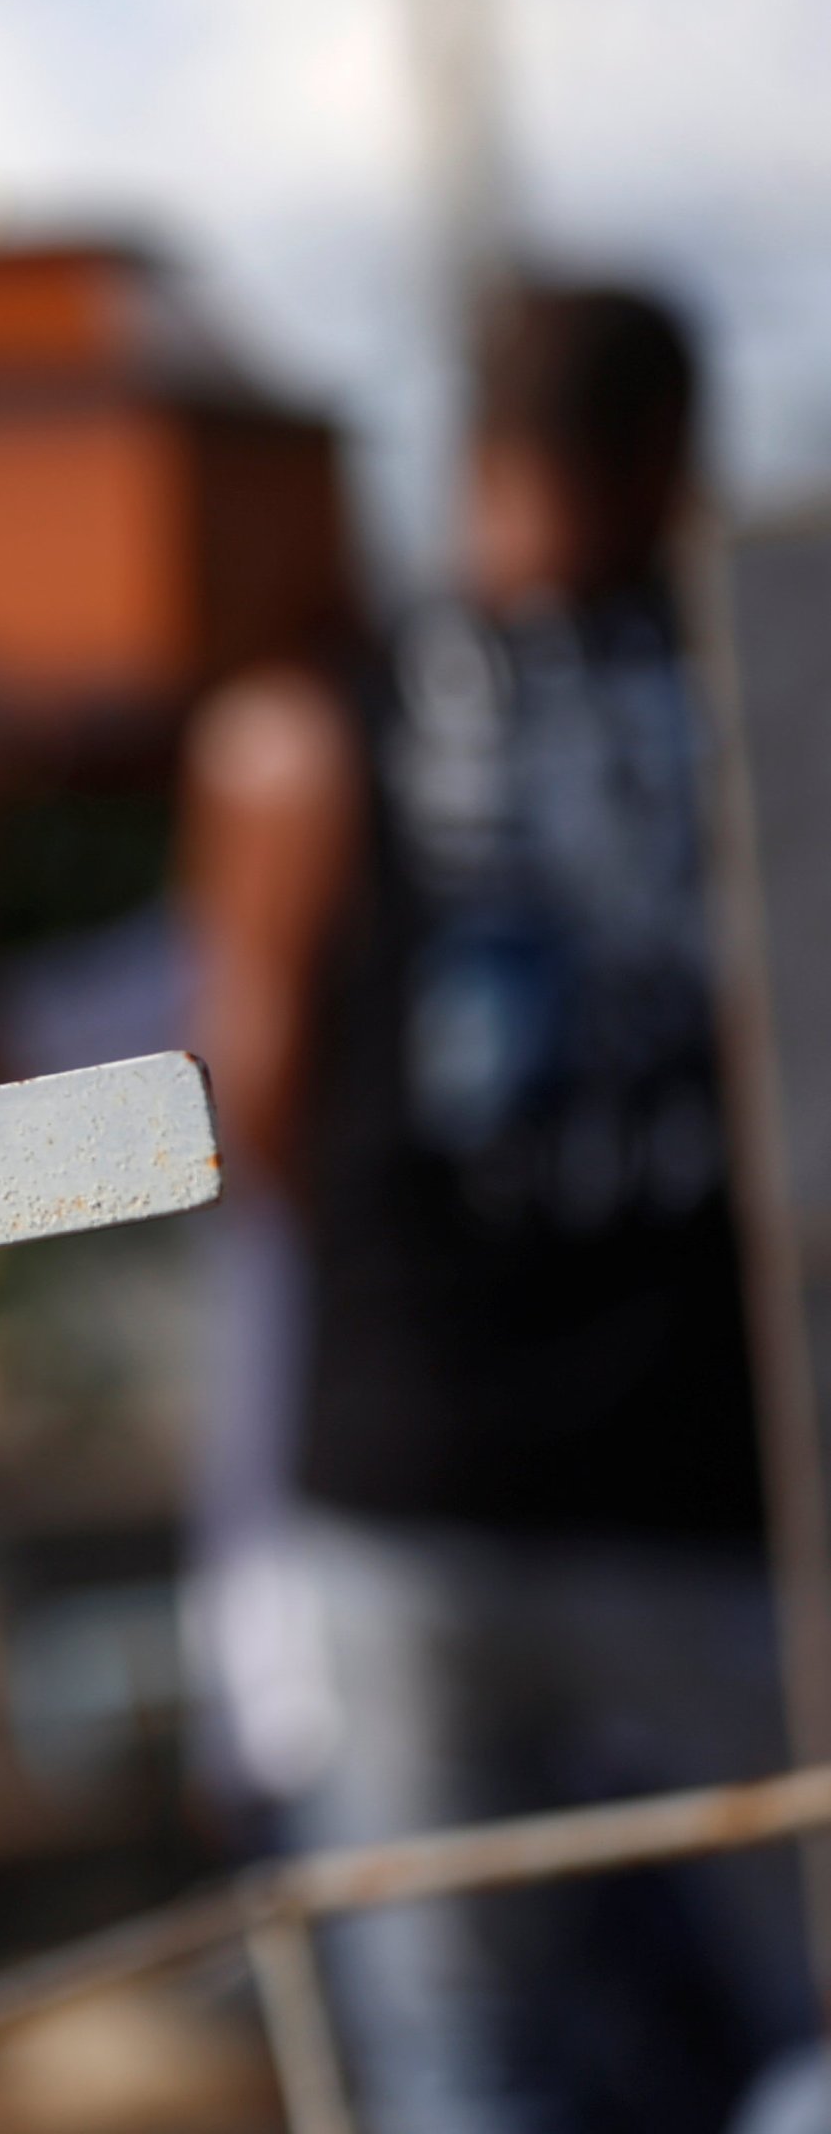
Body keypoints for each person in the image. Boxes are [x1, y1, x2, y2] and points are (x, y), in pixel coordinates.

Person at [188, 283, 808, 2134]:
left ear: (468, 451)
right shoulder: (766, 702)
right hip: (703, 1473)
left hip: (409, 1473)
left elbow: (250, 1101)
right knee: (805, 1991)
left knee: (451, 2051)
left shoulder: (301, 727)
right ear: (671, 454)